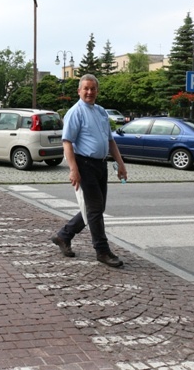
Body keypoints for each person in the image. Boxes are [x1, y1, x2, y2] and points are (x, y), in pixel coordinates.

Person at [50, 74, 128, 268]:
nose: (89, 92)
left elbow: (110, 141)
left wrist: (121, 164)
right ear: (79, 91)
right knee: (94, 210)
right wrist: (73, 169)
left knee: (96, 208)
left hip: (100, 165)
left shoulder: (101, 112)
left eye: (93, 89)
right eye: (86, 88)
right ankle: (102, 250)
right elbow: (67, 142)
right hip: (85, 165)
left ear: (97, 91)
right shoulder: (75, 112)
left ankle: (64, 235)